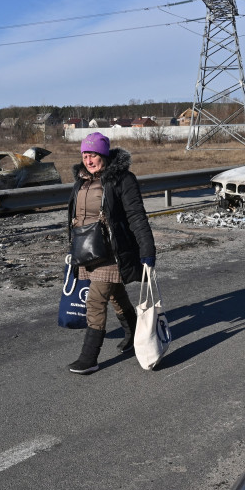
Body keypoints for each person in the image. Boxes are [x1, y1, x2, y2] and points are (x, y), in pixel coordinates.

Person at [66, 132, 156, 374]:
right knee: (115, 294)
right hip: (87, 250)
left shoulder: (122, 180)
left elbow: (136, 215)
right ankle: (134, 331)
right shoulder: (81, 181)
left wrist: (147, 249)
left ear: (104, 155)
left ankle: (90, 357)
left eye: (93, 154)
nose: (88, 159)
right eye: (85, 154)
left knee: (95, 300)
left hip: (112, 251)